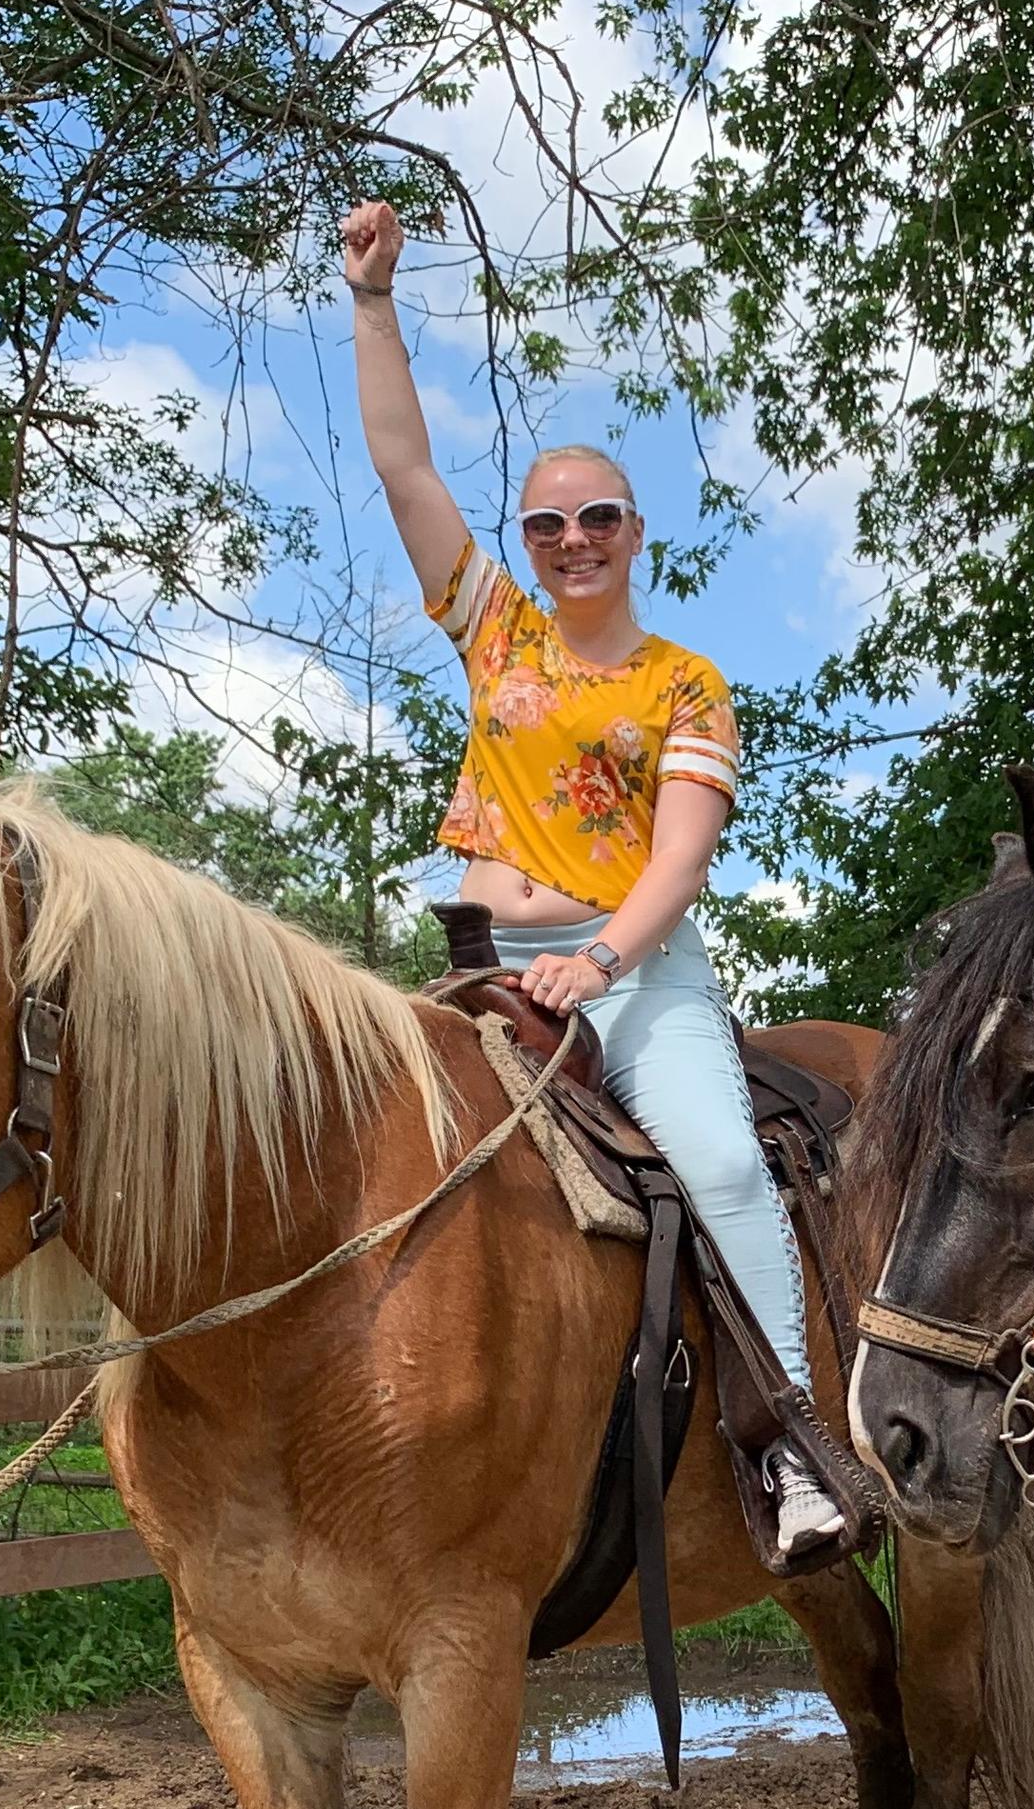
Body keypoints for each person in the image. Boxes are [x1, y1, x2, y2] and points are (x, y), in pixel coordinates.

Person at [342, 199, 852, 1565]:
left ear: (636, 535)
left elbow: (679, 855)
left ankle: (795, 1446)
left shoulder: (686, 681)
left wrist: (603, 964)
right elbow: (403, 473)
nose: (572, 538)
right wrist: (377, 308)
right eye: (549, 521)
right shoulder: (493, 628)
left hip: (627, 971)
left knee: (726, 1166)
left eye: (599, 518)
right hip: (474, 967)